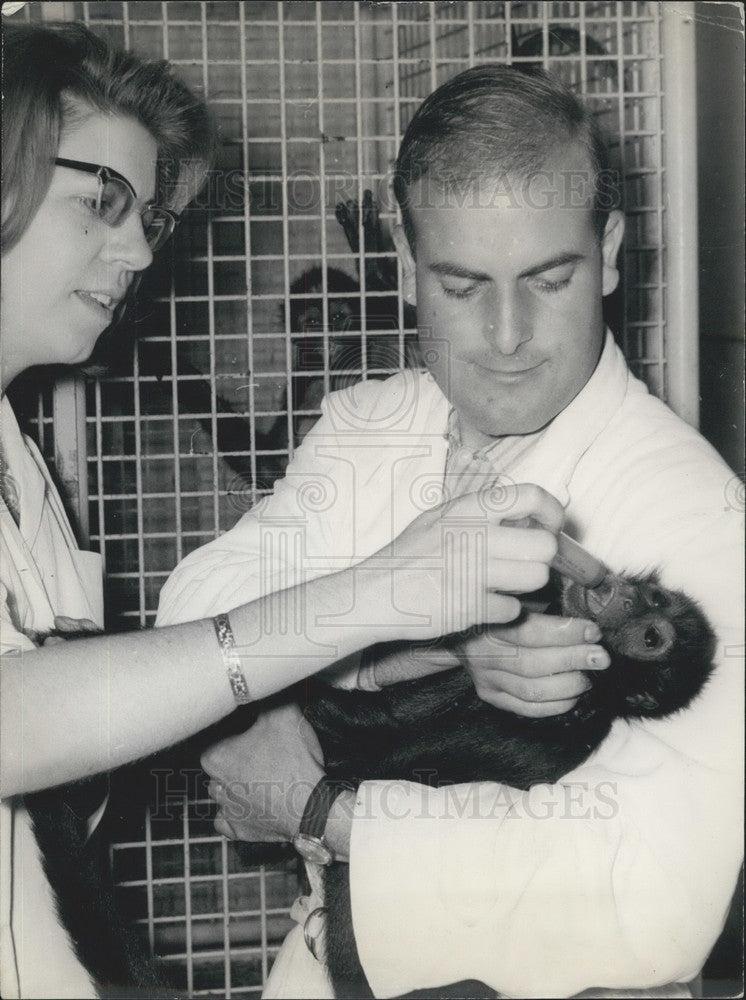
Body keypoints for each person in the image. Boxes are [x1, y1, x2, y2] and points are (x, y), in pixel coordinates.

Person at [158, 66, 745, 997]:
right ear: (401, 259)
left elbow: (656, 903)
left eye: (549, 281)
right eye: (464, 285)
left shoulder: (691, 513)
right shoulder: (367, 426)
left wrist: (318, 808)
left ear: (613, 252)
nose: (507, 337)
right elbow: (193, 618)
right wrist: (412, 642)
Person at [0, 28, 561, 999]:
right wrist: (375, 595)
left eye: (152, 215)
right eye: (101, 202)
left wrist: (402, 659)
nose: (137, 249)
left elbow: (81, 700)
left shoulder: (21, 457)